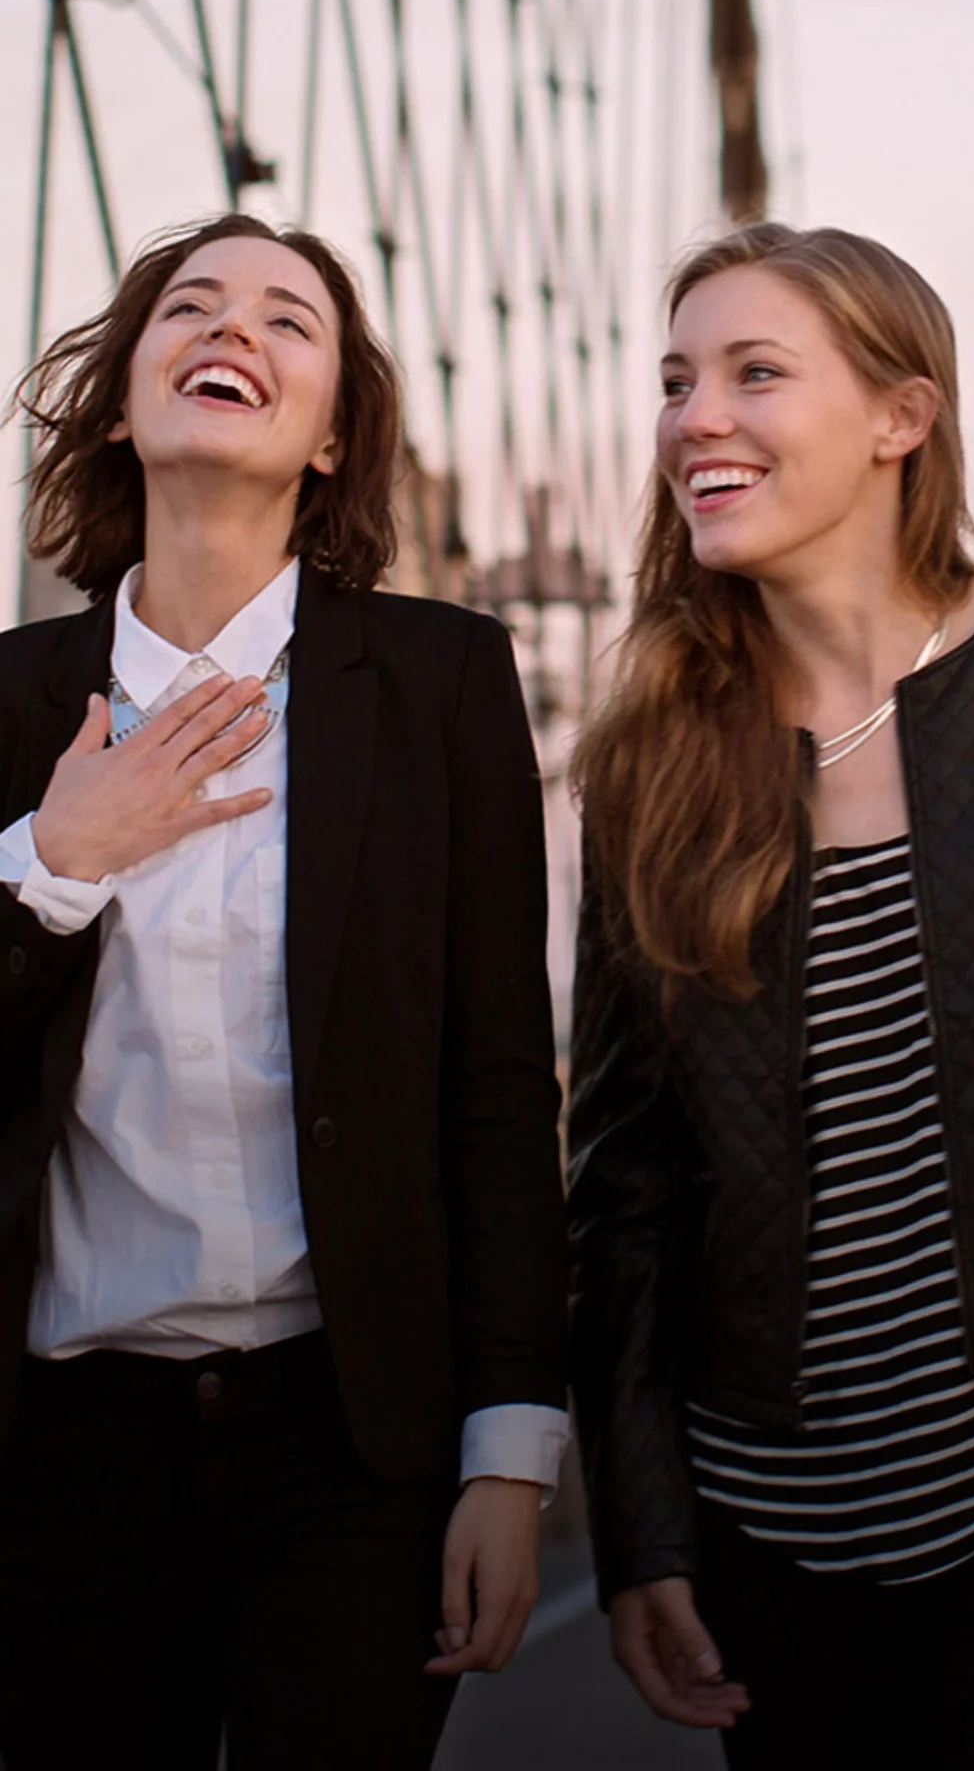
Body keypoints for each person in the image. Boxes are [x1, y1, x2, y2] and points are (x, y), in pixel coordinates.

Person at [565, 222, 974, 1770]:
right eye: (675, 382)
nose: (694, 419)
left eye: (753, 373)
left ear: (900, 418)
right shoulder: (653, 756)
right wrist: (646, 1536)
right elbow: (627, 1182)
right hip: (766, 1550)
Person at [0, 213, 568, 1769]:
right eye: (188, 307)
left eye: (285, 322)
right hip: (57, 1454)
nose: (230, 331)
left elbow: (501, 1083)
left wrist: (511, 1453)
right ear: (123, 400)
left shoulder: (444, 681)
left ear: (331, 439)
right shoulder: (3, 703)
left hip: (355, 1440)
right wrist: (52, 860)